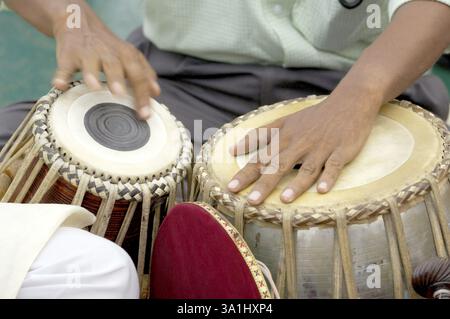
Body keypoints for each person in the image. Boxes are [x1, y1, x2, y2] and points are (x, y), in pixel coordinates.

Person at [1, 0, 450, 207]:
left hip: (364, 86)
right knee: (15, 151)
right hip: (178, 82)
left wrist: (357, 99)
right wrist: (70, 18)